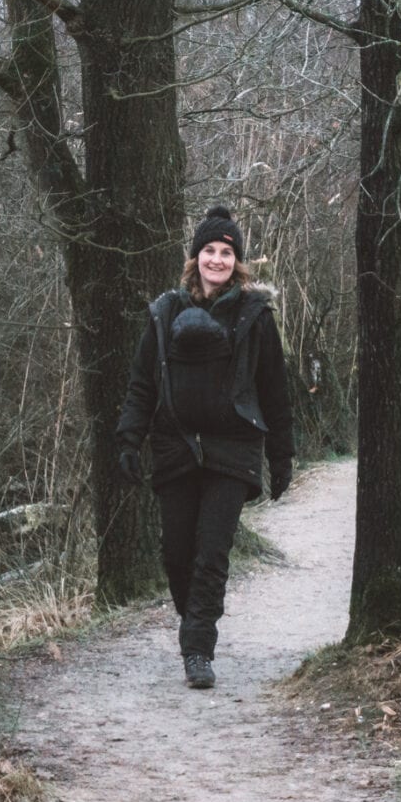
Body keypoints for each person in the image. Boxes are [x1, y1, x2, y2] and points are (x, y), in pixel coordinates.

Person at [114, 205, 295, 689]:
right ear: (195, 259)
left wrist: (282, 456)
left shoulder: (255, 315)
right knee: (177, 553)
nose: (217, 259)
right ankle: (194, 619)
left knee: (211, 553)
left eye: (227, 252)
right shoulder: (165, 311)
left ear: (238, 263)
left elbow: (275, 390)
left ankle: (198, 649)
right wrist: (129, 439)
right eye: (209, 250)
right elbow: (141, 384)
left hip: (233, 449)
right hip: (175, 446)